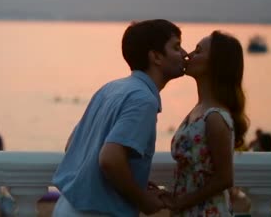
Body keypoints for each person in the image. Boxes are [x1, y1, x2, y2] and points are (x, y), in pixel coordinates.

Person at [52, 19, 188, 216]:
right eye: (176, 47)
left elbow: (72, 143)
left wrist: (134, 181)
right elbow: (110, 159)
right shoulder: (143, 100)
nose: (184, 54)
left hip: (67, 206)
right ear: (156, 57)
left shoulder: (111, 88)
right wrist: (143, 201)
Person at [168, 31, 250, 215]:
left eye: (198, 51)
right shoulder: (198, 110)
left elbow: (224, 178)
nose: (188, 55)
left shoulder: (215, 117)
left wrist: (181, 202)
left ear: (214, 65)